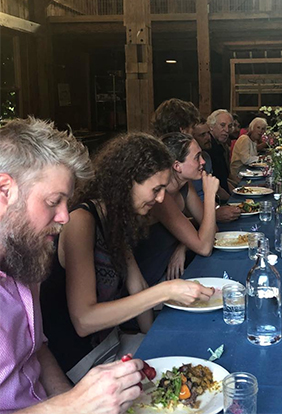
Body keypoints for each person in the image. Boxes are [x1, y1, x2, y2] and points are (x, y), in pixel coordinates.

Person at [41, 133, 213, 382]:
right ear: (127, 182)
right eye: (156, 189)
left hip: (116, 344)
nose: (162, 198)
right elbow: (84, 319)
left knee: (195, 358)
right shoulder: (81, 221)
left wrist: (156, 341)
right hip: (85, 363)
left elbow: (137, 286)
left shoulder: (114, 220)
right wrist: (165, 291)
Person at [0, 117, 144, 414]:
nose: (65, 216)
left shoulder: (24, 261)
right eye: (54, 201)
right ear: (5, 191)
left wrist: (75, 402)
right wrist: (71, 406)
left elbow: (37, 351)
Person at [143, 132, 220, 282]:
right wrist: (210, 195)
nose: (203, 162)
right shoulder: (161, 197)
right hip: (153, 278)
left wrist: (183, 245)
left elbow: (212, 229)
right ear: (177, 166)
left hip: (174, 270)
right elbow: (205, 248)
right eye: (197, 157)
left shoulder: (185, 186)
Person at [192, 120, 240, 223]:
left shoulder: (207, 157)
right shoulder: (188, 167)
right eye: (202, 135)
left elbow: (218, 187)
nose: (208, 137)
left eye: (208, 133)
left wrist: (234, 202)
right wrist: (215, 212)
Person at [207, 109, 233, 193]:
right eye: (222, 125)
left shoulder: (220, 146)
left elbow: (223, 179)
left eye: (229, 126)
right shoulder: (209, 147)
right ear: (211, 126)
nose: (227, 130)